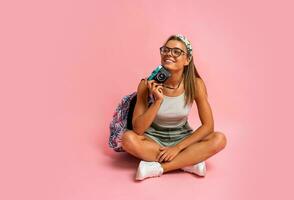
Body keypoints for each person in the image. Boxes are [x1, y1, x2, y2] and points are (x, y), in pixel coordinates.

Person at [121, 34, 227, 181]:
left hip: (182, 139)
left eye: (176, 52)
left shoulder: (196, 85)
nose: (169, 54)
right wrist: (157, 101)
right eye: (165, 50)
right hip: (153, 140)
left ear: (187, 60)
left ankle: (159, 168)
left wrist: (177, 148)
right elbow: (138, 129)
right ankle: (188, 162)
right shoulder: (146, 85)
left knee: (219, 139)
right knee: (128, 139)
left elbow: (208, 126)